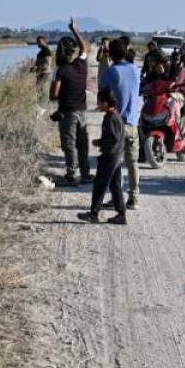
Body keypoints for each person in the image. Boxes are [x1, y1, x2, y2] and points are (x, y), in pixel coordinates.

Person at [98, 38, 141, 209]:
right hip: (132, 123)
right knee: (133, 163)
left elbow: (101, 89)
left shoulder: (111, 72)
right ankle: (134, 198)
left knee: (114, 164)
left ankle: (116, 198)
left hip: (116, 124)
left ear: (112, 54)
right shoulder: (136, 69)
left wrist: (103, 59)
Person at [76, 87, 128, 225]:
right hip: (117, 155)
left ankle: (94, 214)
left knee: (100, 184)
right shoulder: (116, 116)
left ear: (106, 103)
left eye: (99, 101)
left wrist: (99, 142)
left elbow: (114, 138)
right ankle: (121, 214)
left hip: (111, 156)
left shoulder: (111, 118)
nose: (98, 104)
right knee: (115, 185)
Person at [50, 17, 91, 185]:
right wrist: (75, 30)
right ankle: (86, 173)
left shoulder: (59, 70)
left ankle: (72, 175)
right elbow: (85, 48)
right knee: (82, 144)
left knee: (69, 144)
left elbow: (53, 94)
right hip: (82, 111)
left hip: (68, 112)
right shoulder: (81, 65)